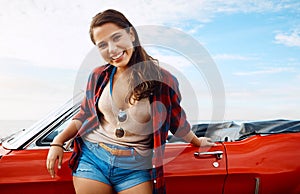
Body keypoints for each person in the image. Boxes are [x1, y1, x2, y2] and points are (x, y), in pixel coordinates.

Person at [46, 9, 215, 194]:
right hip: (93, 157)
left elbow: (176, 121)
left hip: (136, 166)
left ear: (131, 34)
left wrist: (196, 141)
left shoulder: (163, 80)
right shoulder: (98, 76)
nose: (112, 49)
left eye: (116, 37)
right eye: (102, 45)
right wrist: (58, 141)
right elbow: (84, 114)